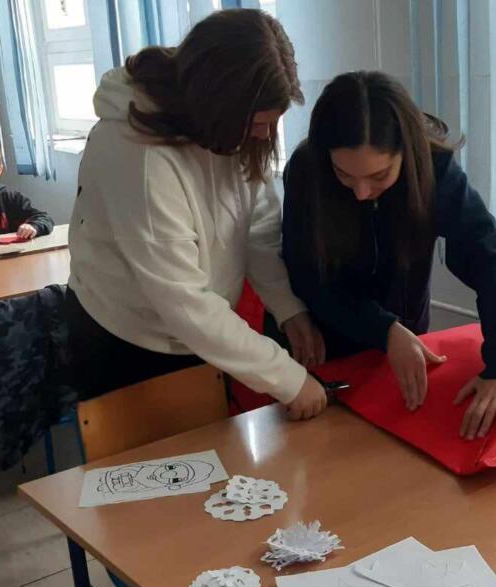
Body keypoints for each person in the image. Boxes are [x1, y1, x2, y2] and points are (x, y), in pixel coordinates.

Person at [67, 8, 328, 421]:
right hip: (125, 339)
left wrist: (287, 306)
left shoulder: (230, 128)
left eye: (272, 122)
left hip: (198, 330)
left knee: (208, 454)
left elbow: (257, 228)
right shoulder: (138, 156)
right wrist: (289, 379)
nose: (264, 135)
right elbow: (182, 300)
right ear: (218, 104)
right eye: (258, 122)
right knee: (149, 460)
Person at [280, 71, 496, 440]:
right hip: (328, 344)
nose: (361, 192)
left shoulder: (434, 166)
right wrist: (383, 329)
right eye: (344, 175)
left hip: (408, 334)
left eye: (379, 176)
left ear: (408, 152)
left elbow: (488, 253)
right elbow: (309, 277)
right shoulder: (307, 169)